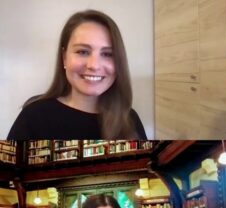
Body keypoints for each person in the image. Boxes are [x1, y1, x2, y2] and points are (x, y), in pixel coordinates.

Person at [8, 10, 147, 139]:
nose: (94, 65)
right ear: (64, 58)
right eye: (83, 52)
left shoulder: (130, 119)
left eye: (107, 54)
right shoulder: (34, 116)